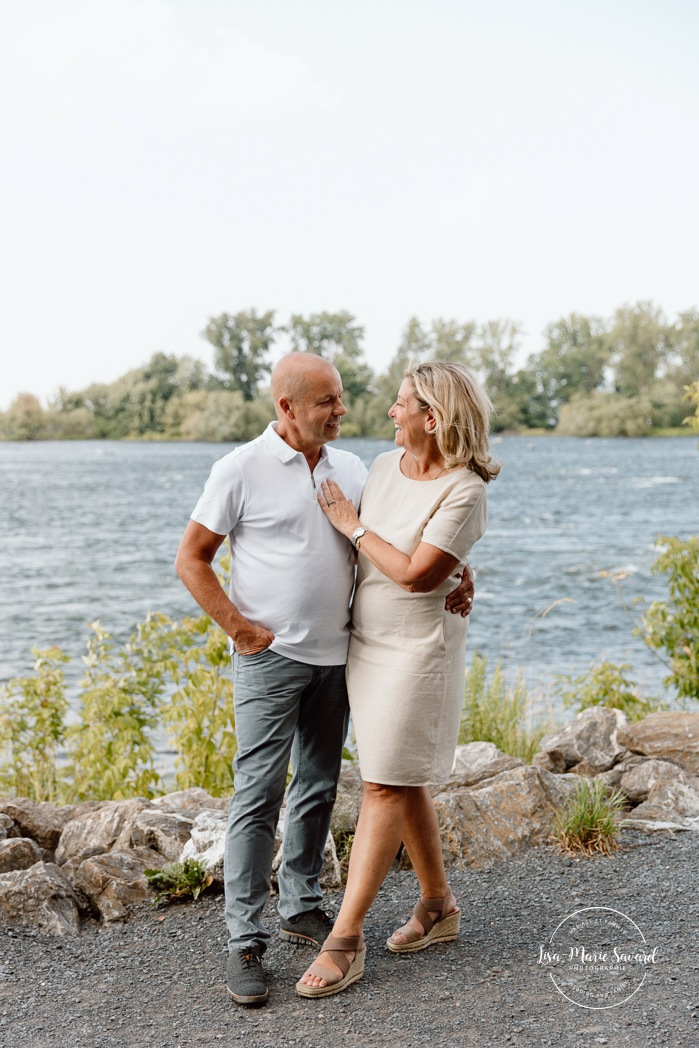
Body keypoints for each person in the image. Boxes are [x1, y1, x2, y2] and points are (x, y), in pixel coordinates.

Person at [175, 353, 474, 1007]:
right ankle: (244, 940)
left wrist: (459, 571)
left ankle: (301, 904)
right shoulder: (239, 469)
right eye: (328, 403)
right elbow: (192, 559)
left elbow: (396, 542)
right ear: (287, 408)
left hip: (341, 658)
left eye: (341, 398)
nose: (343, 411)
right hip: (270, 660)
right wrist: (240, 630)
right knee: (256, 797)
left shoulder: (350, 469)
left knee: (315, 785)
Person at [296, 360, 500, 998]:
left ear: (433, 418)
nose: (389, 411)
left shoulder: (464, 489)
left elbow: (415, 573)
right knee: (400, 773)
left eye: (401, 403)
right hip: (366, 643)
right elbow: (403, 560)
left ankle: (346, 939)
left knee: (383, 783)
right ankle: (437, 904)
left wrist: (352, 526)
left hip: (418, 653)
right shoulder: (384, 469)